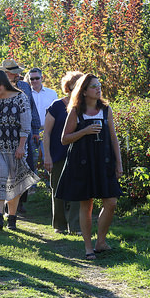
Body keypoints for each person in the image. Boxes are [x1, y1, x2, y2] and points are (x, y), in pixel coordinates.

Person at [56, 74, 123, 260]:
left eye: (99, 85)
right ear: (84, 91)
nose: (98, 89)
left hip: (104, 162)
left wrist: (119, 163)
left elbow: (113, 139)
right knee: (87, 205)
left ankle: (101, 241)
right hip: (82, 163)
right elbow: (64, 139)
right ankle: (88, 247)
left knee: (111, 202)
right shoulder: (76, 111)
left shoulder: (105, 109)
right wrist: (84, 131)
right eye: (94, 86)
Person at [0, 70, 38, 230]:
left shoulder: (20, 98)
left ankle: (12, 217)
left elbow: (26, 125)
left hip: (15, 146)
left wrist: (21, 146)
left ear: (4, 82)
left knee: (14, 182)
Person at [43, 71, 83, 235]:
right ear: (69, 87)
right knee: (58, 191)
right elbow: (46, 133)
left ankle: (75, 226)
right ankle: (59, 224)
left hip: (80, 156)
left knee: (78, 191)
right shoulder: (57, 106)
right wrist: (47, 156)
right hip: (58, 155)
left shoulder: (85, 107)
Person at [0, 59, 40, 216]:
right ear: (6, 73)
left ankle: (20, 203)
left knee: (23, 168)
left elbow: (31, 107)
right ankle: (2, 204)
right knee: (3, 170)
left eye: (18, 71)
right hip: (4, 135)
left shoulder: (24, 86)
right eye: (14, 72)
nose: (18, 74)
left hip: (24, 133)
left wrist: (35, 129)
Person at [26, 67, 58, 165]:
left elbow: (56, 113)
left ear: (42, 78)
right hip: (31, 131)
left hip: (48, 131)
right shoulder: (26, 94)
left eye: (37, 78)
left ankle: (49, 180)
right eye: (32, 79)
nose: (34, 81)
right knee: (32, 160)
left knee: (48, 159)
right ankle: (34, 180)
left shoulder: (51, 93)